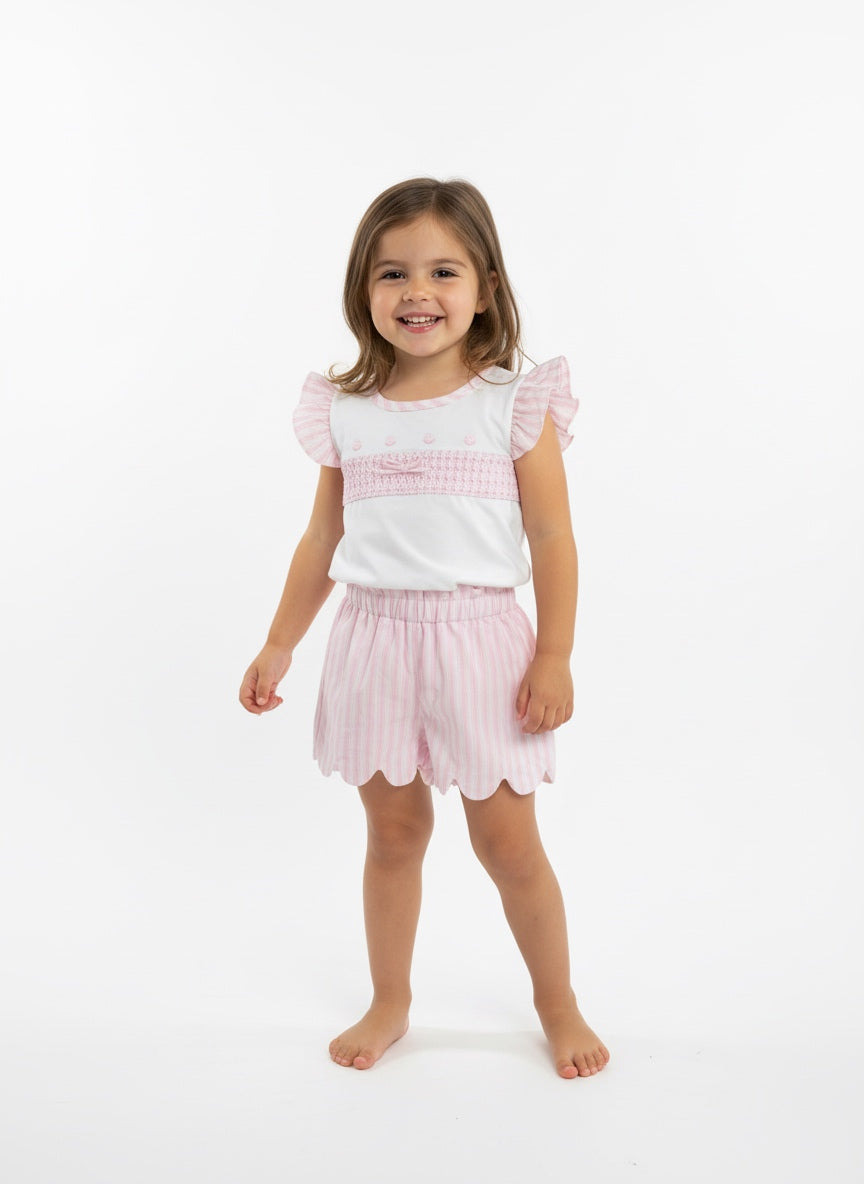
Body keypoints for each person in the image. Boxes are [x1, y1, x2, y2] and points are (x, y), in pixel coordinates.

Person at [238, 177, 610, 1080]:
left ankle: (557, 1004)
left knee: (507, 841)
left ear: (484, 285)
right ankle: (390, 998)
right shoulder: (348, 410)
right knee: (394, 833)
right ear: (363, 290)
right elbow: (324, 536)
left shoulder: (512, 405)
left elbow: (553, 538)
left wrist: (554, 652)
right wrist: (280, 639)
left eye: (442, 271)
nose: (416, 292)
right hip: (373, 640)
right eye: (391, 273)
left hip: (481, 642)